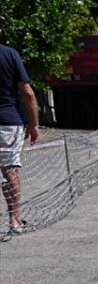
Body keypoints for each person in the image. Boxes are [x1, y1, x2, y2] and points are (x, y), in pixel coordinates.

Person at [0, 42, 37, 239]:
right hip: (8, 122)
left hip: (8, 122)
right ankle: (14, 220)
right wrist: (34, 124)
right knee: (9, 171)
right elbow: (27, 92)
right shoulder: (10, 54)